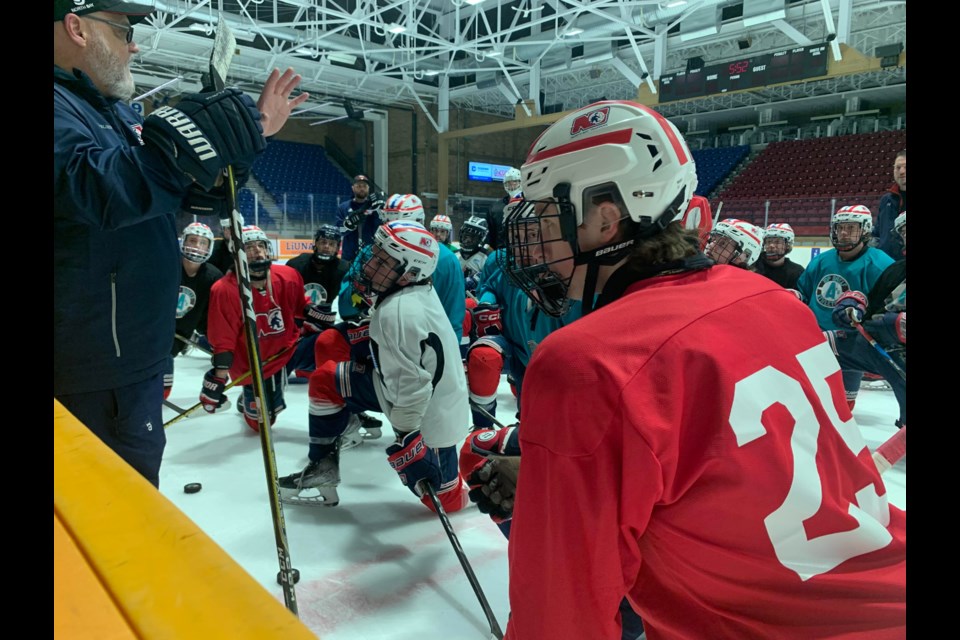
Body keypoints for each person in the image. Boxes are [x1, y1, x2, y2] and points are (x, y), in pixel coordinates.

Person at [477, 101, 904, 639]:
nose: (531, 236)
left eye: (543, 213)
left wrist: (565, 482)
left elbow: (561, 620)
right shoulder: (775, 300)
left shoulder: (587, 359)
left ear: (605, 216)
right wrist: (564, 476)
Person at [54, 0, 307, 487]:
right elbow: (96, 188)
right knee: (112, 513)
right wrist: (195, 144)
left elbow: (184, 192)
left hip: (130, 358)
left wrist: (245, 136)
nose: (133, 44)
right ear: (75, 27)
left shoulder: (111, 112)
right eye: (122, 29)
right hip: (95, 368)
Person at [279, 221, 470, 514]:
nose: (369, 264)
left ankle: (468, 485)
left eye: (382, 260)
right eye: (375, 253)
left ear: (409, 273)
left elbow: (413, 387)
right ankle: (328, 458)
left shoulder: (399, 313)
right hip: (423, 390)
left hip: (429, 412)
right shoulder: (409, 292)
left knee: (445, 503)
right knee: (329, 356)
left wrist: (409, 440)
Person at [202, 226, 305, 432]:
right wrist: (218, 376)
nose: (257, 251)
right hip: (256, 364)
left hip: (289, 348)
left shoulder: (289, 276)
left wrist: (314, 316)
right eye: (248, 247)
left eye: (261, 245)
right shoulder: (225, 289)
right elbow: (223, 339)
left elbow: (301, 310)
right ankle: (250, 396)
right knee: (260, 424)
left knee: (329, 343)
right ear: (236, 253)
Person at [795, 205, 894, 408]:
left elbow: (890, 306)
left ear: (865, 230)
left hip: (852, 344)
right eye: (840, 228)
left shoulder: (881, 263)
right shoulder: (822, 260)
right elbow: (803, 292)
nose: (844, 233)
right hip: (814, 339)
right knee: (807, 400)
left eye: (851, 228)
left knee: (843, 406)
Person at [827, 211, 906, 429]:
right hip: (878, 346)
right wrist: (853, 306)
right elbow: (870, 307)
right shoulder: (896, 270)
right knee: (817, 346)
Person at [164, 222, 224, 399]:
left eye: (202, 242)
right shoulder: (165, 266)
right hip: (154, 337)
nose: (197, 246)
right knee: (160, 389)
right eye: (192, 240)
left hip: (181, 336)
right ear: (183, 242)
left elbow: (211, 318)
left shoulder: (214, 277)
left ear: (210, 246)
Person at [284, 224, 350, 380]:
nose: (326, 247)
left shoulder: (344, 269)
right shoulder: (296, 265)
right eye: (323, 242)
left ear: (337, 248)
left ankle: (308, 365)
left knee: (330, 340)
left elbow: (350, 301)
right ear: (315, 243)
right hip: (296, 316)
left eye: (332, 244)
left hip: (322, 319)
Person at [336, 174, 385, 263]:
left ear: (368, 188)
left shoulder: (374, 207)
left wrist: (381, 208)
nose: (362, 188)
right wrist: (349, 225)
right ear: (353, 188)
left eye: (364, 186)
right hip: (349, 256)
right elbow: (339, 230)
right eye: (358, 186)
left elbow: (381, 227)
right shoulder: (343, 207)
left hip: (370, 255)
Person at [873, 150, 906, 259]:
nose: (901, 171)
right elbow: (877, 233)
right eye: (898, 167)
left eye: (905, 167)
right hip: (886, 264)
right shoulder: (886, 199)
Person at [755, 222, 805, 289]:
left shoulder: (797, 272)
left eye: (777, 242)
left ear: (787, 245)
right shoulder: (753, 264)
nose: (771, 245)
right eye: (769, 241)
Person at [458, 215, 490, 292]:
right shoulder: (454, 255)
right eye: (465, 236)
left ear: (481, 239)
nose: (467, 241)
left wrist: (478, 278)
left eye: (472, 237)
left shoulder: (486, 258)